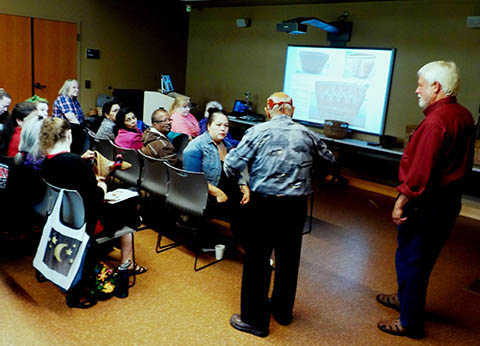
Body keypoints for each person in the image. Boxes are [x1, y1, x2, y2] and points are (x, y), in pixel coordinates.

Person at [376, 61, 475, 339]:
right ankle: (405, 299)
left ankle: (409, 321)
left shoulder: (434, 122)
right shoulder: (464, 116)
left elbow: (421, 170)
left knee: (411, 261)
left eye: (420, 84)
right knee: (423, 260)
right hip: (447, 204)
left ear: (436, 87)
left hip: (425, 205)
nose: (416, 90)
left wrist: (400, 201)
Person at [224, 92, 335, 337]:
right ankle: (283, 312)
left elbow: (231, 165)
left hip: (264, 205)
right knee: (289, 260)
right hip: (295, 207)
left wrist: (246, 182)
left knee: (258, 261)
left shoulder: (257, 132)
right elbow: (329, 162)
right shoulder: (308, 134)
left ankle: (254, 321)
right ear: (291, 109)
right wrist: (306, 178)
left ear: (268, 109)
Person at [39, 118, 147, 275]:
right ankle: (127, 262)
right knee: (132, 201)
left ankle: (113, 252)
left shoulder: (47, 163)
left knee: (125, 203)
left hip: (62, 218)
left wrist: (82, 163)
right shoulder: (76, 163)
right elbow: (96, 198)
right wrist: (102, 185)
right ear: (69, 135)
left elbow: (68, 178)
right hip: (88, 222)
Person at [183, 109, 249, 223]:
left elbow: (237, 171)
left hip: (229, 191)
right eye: (218, 125)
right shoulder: (196, 146)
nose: (223, 128)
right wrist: (217, 192)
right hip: (208, 197)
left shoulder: (227, 146)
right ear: (208, 126)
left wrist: (243, 185)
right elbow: (192, 179)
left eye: (226, 125)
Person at [52, 79, 87, 154]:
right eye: (74, 87)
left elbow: (80, 117)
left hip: (73, 129)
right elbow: (71, 118)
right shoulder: (63, 98)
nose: (77, 90)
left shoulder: (74, 100)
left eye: (78, 88)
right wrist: (82, 130)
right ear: (67, 88)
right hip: (62, 131)